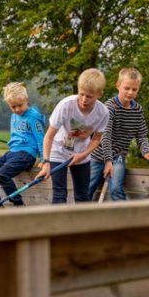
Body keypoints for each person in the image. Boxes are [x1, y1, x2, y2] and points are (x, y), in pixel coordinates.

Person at [87, 68, 149, 201]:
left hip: (118, 157)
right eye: (127, 88)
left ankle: (126, 220)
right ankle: (79, 219)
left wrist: (146, 152)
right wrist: (107, 161)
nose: (130, 92)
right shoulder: (110, 107)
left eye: (134, 89)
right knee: (87, 189)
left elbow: (141, 134)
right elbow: (106, 135)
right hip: (98, 155)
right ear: (118, 85)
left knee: (116, 188)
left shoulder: (137, 110)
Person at [36, 68, 109, 204]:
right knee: (59, 195)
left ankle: (81, 225)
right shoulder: (65, 105)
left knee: (83, 196)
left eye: (89, 96)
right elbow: (49, 136)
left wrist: (82, 155)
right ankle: (57, 226)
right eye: (81, 94)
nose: (84, 100)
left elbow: (96, 138)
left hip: (82, 153)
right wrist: (46, 162)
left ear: (99, 94)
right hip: (58, 151)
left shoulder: (103, 112)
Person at [0, 82, 45, 206]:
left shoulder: (34, 117)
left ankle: (18, 205)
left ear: (27, 100)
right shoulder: (14, 116)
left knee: (2, 174)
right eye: (13, 107)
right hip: (12, 153)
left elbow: (41, 139)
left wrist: (43, 159)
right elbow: (15, 137)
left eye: (20, 105)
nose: (17, 110)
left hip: (27, 154)